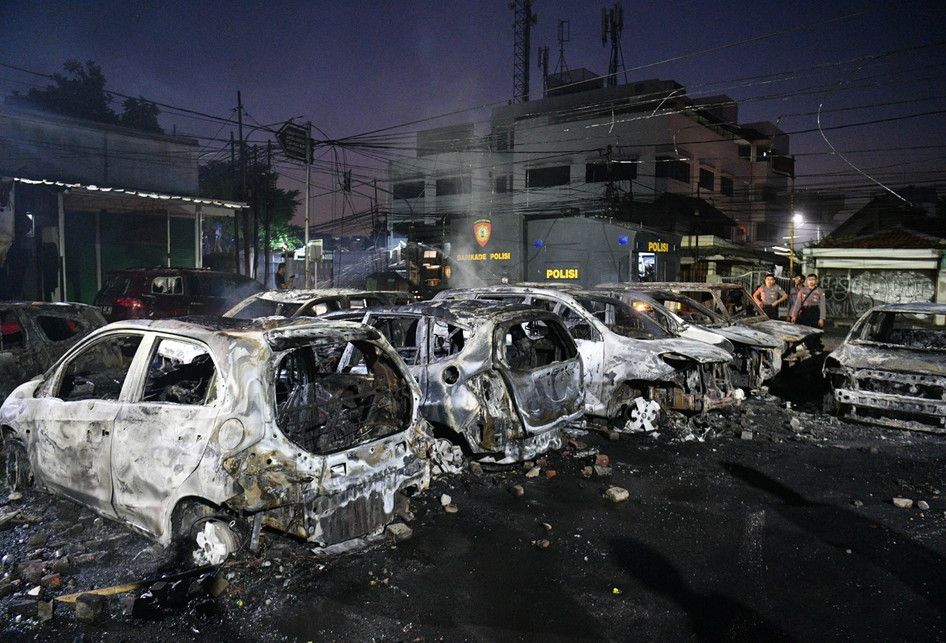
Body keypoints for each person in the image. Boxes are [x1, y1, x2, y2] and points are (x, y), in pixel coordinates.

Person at [789, 273, 826, 352]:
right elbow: (797, 304)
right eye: (809, 280)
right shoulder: (802, 290)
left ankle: (814, 349)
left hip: (815, 312)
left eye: (813, 280)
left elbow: (822, 305)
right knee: (803, 331)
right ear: (807, 281)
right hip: (804, 312)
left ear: (816, 281)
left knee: (815, 331)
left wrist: (822, 318)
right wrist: (794, 315)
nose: (811, 281)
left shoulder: (820, 291)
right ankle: (804, 348)